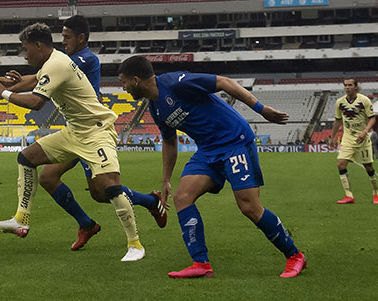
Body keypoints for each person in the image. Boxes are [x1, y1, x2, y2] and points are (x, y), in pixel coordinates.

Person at [118, 55, 306, 279]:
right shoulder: (156, 109)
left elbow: (224, 82)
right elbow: (169, 142)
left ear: (136, 80)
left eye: (124, 82)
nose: (124, 87)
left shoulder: (176, 82)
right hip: (208, 150)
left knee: (249, 207)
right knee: (182, 197)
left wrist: (261, 108)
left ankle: (295, 255)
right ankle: (201, 263)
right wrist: (166, 179)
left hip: (235, 141)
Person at [0, 15, 166, 251]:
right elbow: (38, 78)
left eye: (66, 37)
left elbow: (38, 83)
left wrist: (4, 89)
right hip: (76, 129)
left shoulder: (83, 59)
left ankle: (150, 203)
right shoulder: (59, 61)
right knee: (47, 177)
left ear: (81, 38)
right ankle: (85, 224)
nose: (63, 41)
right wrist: (6, 84)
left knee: (102, 191)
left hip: (93, 131)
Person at [331, 78, 378, 205]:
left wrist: (365, 132)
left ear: (355, 86)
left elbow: (372, 118)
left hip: (362, 139)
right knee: (340, 164)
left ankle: (376, 192)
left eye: (350, 85)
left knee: (368, 167)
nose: (347, 87)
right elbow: (337, 120)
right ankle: (349, 195)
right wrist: (332, 137)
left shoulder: (364, 100)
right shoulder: (340, 102)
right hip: (347, 139)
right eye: (345, 85)